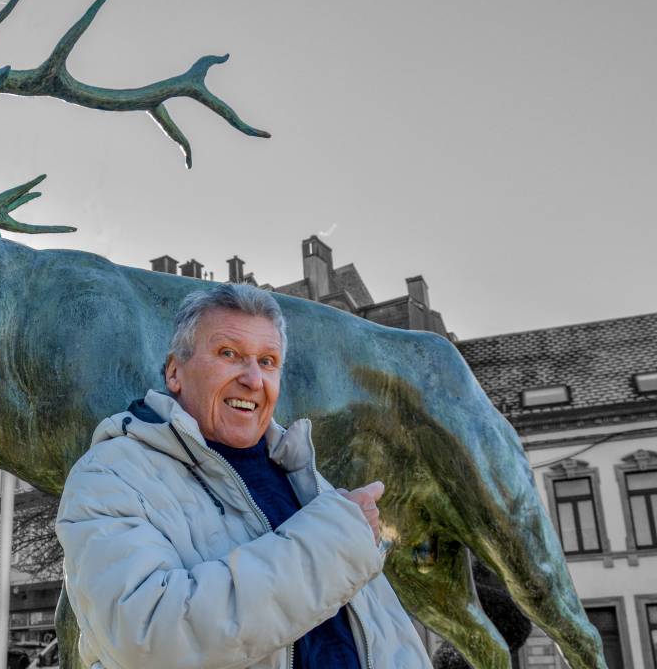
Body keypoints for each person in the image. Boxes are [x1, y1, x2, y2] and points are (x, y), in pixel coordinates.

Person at [56, 283, 432, 668]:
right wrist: (334, 543)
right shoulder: (110, 474)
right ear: (174, 372)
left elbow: (390, 636)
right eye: (229, 354)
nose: (253, 379)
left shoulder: (306, 479)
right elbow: (147, 638)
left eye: (268, 361)